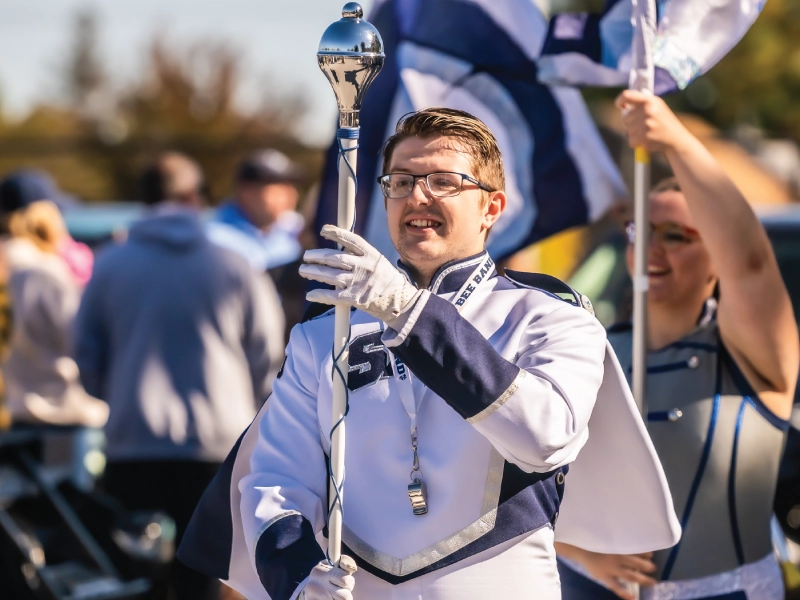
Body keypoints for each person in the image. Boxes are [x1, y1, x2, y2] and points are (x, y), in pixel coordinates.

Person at [177, 108, 680, 600]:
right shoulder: (323, 334)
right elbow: (275, 481)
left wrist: (406, 310)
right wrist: (299, 576)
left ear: (492, 208)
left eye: (443, 181)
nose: (417, 195)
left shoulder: (550, 316)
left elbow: (544, 437)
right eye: (400, 181)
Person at [556, 93, 800, 600]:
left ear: (717, 260)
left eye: (676, 235)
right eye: (639, 231)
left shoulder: (753, 359)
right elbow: (523, 479)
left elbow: (751, 264)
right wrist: (580, 553)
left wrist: (674, 140)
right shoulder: (587, 350)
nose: (652, 248)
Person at [73, 152, 286, 600]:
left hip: (133, 442)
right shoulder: (235, 266)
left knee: (134, 574)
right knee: (206, 577)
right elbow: (267, 356)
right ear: (193, 196)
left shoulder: (110, 265)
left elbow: (86, 355)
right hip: (218, 444)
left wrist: (117, 397)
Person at [0, 170, 106, 428]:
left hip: (13, 410)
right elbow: (80, 341)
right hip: (57, 412)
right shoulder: (44, 271)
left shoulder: (14, 265)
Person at [206, 149, 305, 273]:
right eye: (279, 187)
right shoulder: (213, 238)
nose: (291, 195)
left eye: (291, 186)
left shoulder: (296, 230)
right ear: (247, 192)